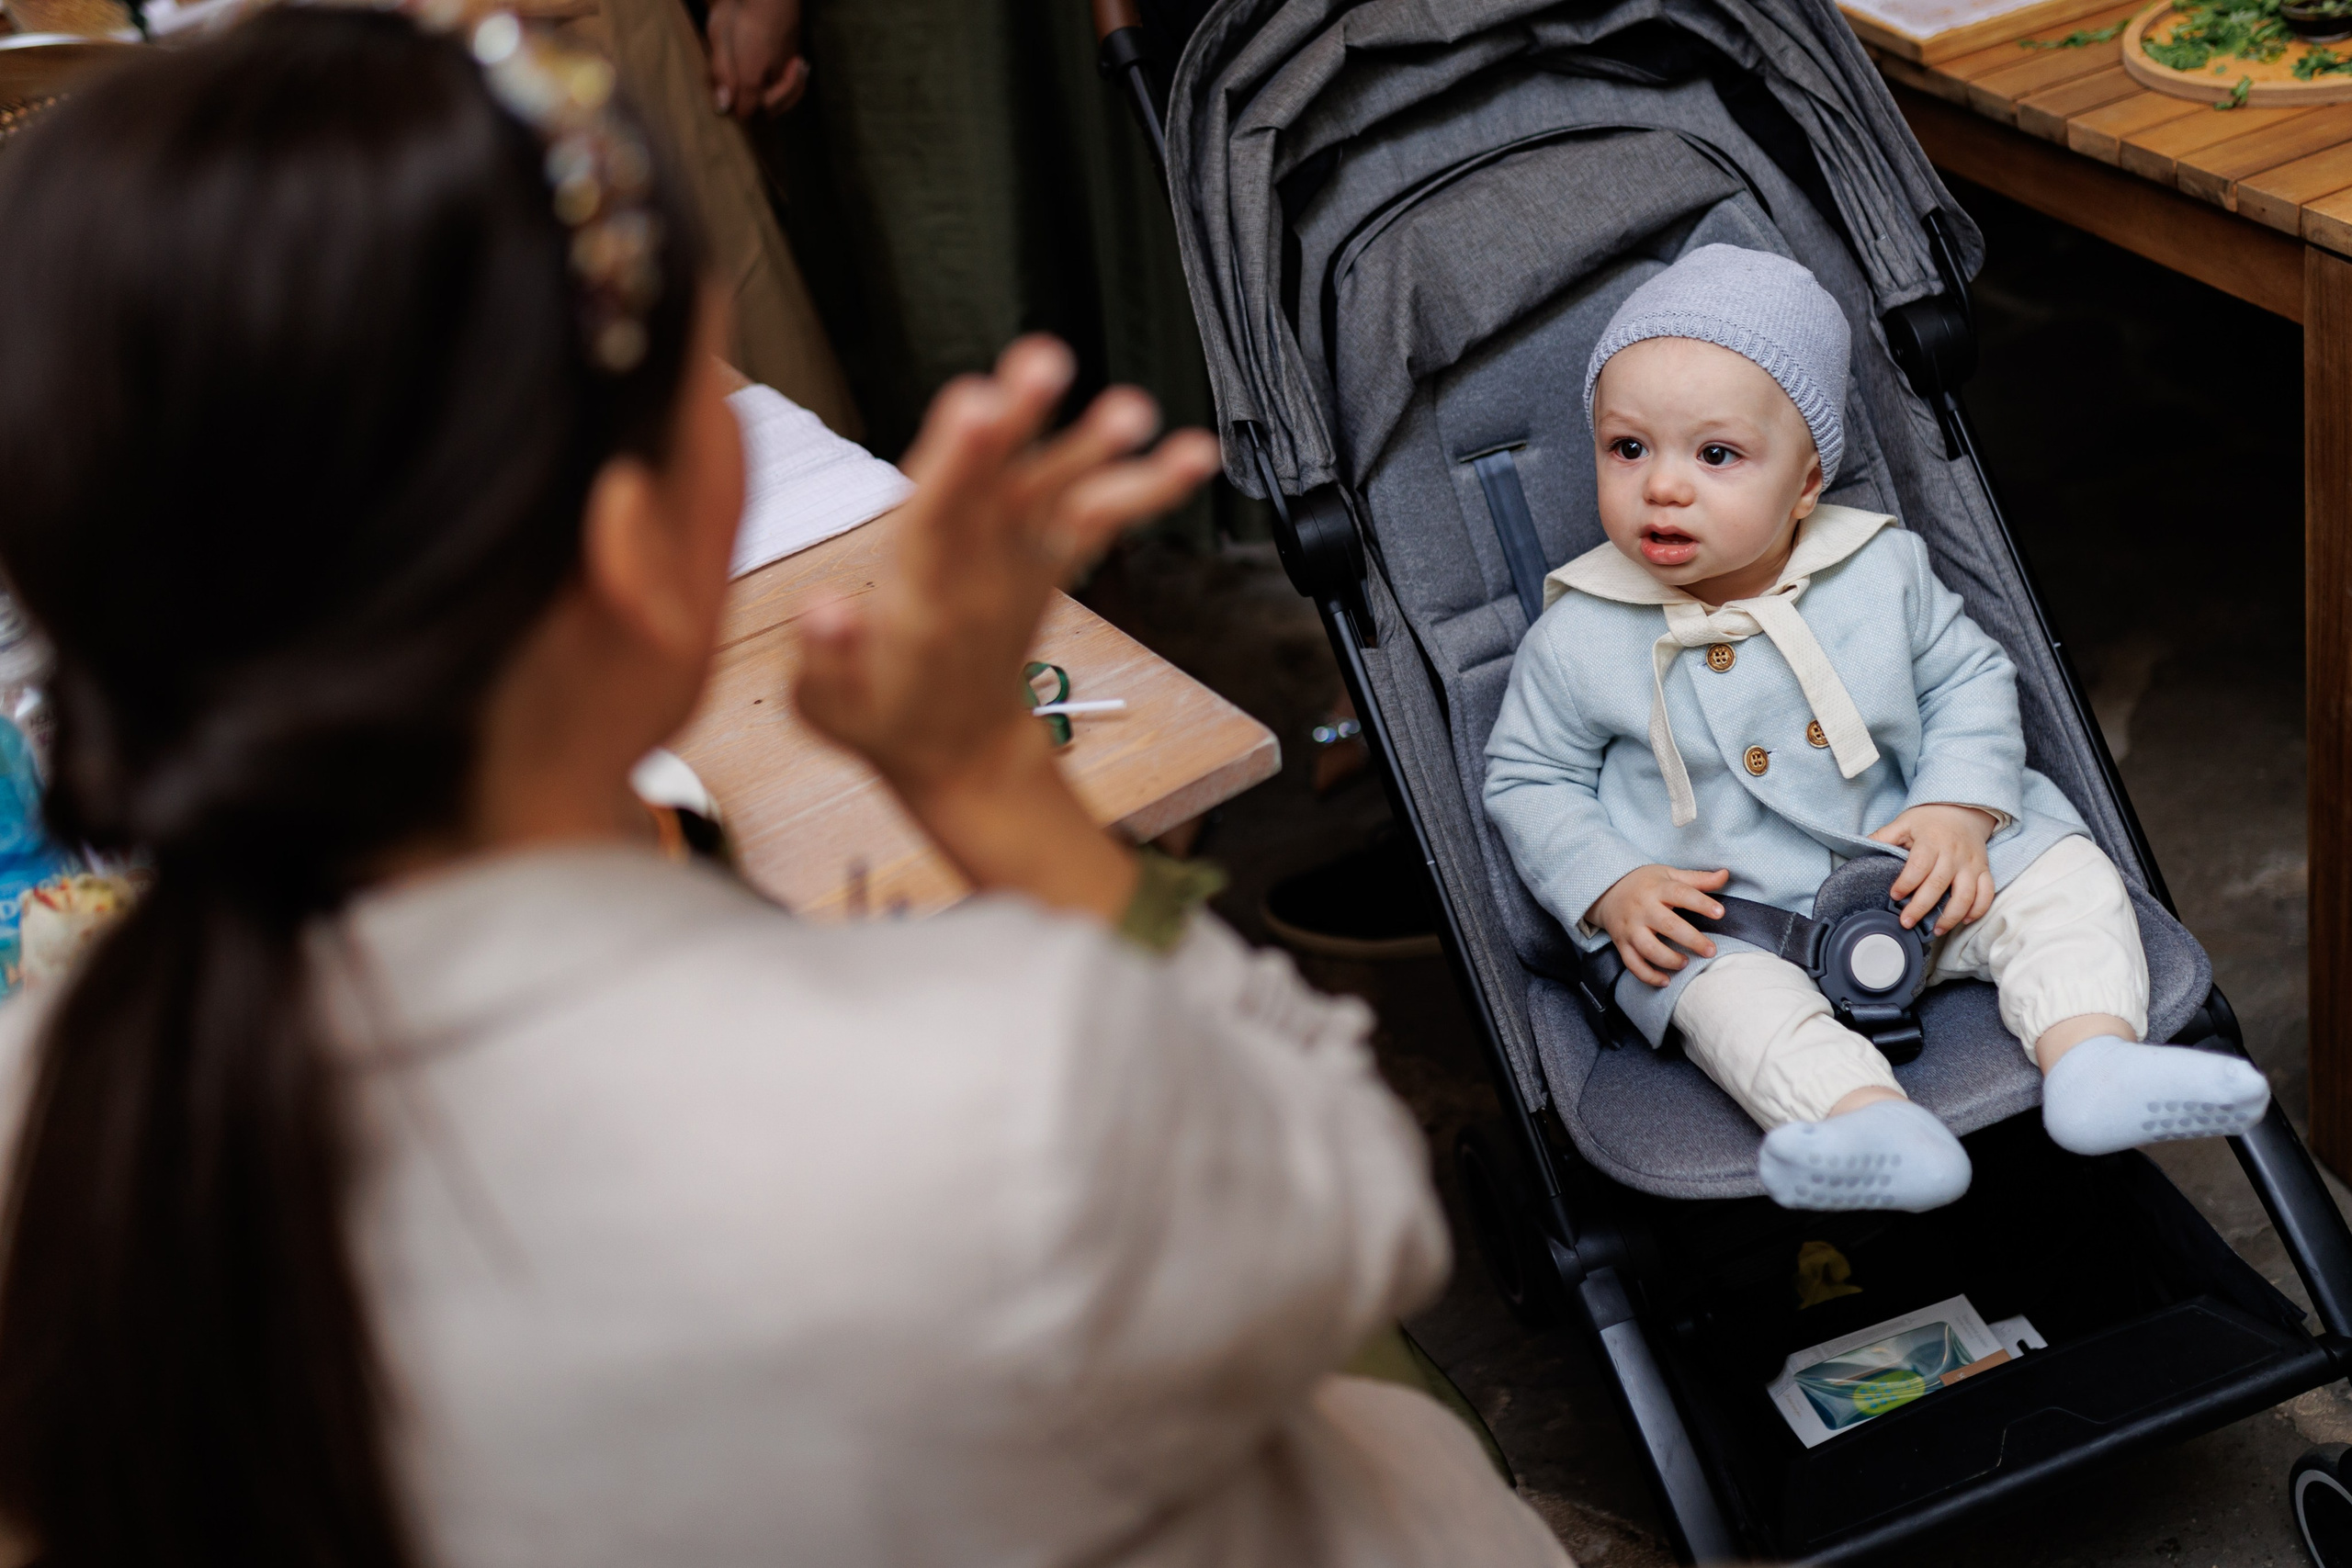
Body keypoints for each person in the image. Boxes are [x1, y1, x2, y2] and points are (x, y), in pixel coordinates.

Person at [0, 11, 1571, 1566]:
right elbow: (1355, 1209)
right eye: (718, 391)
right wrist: (999, 790)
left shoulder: (55, 1110)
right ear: (633, 554)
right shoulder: (985, 1103)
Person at [1481, 244, 2271, 1214]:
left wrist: (1958, 807)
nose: (1663, 487)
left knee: (2065, 880)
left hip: (1925, 870)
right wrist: (1609, 882)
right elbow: (1529, 777)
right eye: (1626, 448)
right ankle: (1866, 1122)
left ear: (1806, 482)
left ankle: (2091, 1058)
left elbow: (1969, 680)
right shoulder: (1578, 635)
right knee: (1724, 1004)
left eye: (1716, 455)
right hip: (1741, 919)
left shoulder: (1880, 571)